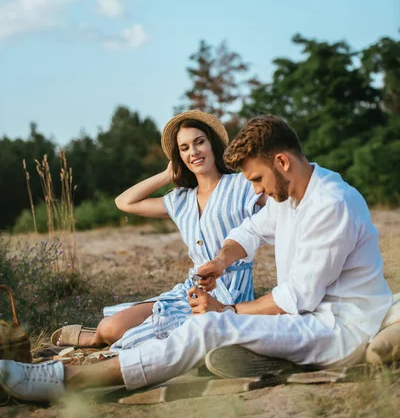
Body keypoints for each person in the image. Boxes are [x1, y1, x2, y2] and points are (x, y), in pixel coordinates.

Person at [0, 115, 393, 402]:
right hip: (308, 317)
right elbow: (249, 231)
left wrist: (227, 309)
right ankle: (267, 357)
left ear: (282, 162)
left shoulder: (330, 204)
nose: (255, 189)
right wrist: (221, 260)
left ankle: (69, 381)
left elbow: (298, 298)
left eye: (256, 179)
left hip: (337, 329)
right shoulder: (288, 194)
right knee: (213, 326)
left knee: (209, 328)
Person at [50, 110, 264, 351]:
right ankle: (99, 337)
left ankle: (100, 340)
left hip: (231, 293)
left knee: (178, 342)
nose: (193, 152)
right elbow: (124, 202)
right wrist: (166, 175)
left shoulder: (243, 185)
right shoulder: (181, 199)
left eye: (199, 142)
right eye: (184, 148)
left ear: (212, 144)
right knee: (110, 328)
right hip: (191, 291)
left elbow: (282, 204)